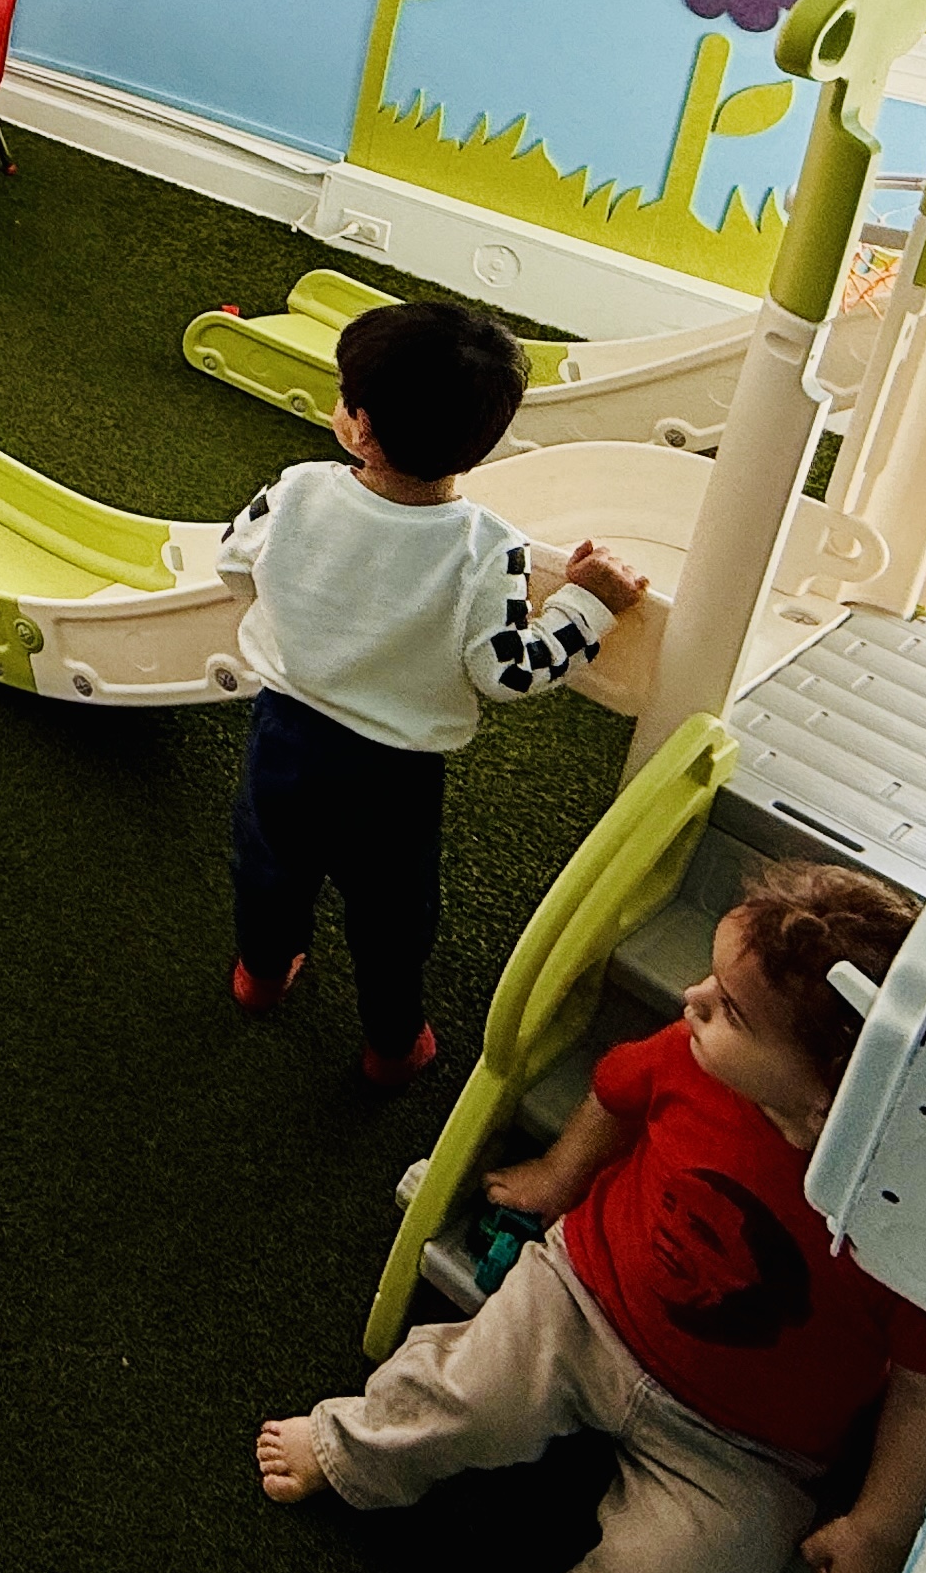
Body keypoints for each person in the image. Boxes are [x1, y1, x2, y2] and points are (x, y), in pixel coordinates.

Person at [256, 859, 926, 1573]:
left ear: (827, 1100)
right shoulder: (690, 1054)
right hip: (583, 1302)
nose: (691, 998)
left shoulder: (912, 1216)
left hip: (743, 1446)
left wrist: (879, 1528)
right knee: (466, 1394)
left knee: (680, 1570)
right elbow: (614, 1094)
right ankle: (352, 1448)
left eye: (730, 1009)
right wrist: (554, 1178)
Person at [217, 301, 648, 1085]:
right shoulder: (491, 550)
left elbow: (234, 562)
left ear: (360, 429)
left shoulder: (295, 491)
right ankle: (389, 1043)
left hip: (284, 735)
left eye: (346, 397)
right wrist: (589, 604)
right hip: (392, 774)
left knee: (268, 863)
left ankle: (262, 971)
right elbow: (506, 671)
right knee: (390, 915)